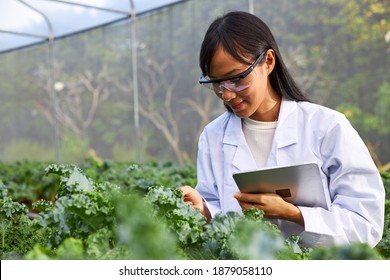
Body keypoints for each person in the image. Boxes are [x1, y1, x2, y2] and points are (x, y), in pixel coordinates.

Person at [180, 11, 385, 248]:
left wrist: (294, 214)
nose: (226, 94)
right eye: (216, 83)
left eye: (236, 79)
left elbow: (366, 224)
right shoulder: (213, 136)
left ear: (268, 61)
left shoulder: (327, 127)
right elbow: (217, 207)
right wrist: (203, 210)